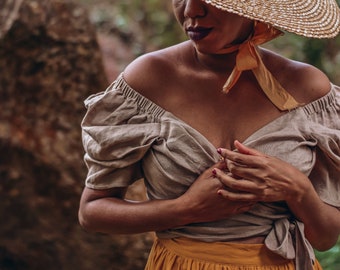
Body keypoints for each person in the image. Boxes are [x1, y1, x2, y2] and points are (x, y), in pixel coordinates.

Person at [79, 0, 340, 269]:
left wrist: (296, 189)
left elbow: (324, 238)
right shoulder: (150, 79)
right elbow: (92, 212)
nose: (191, 11)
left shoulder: (308, 89)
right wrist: (186, 209)